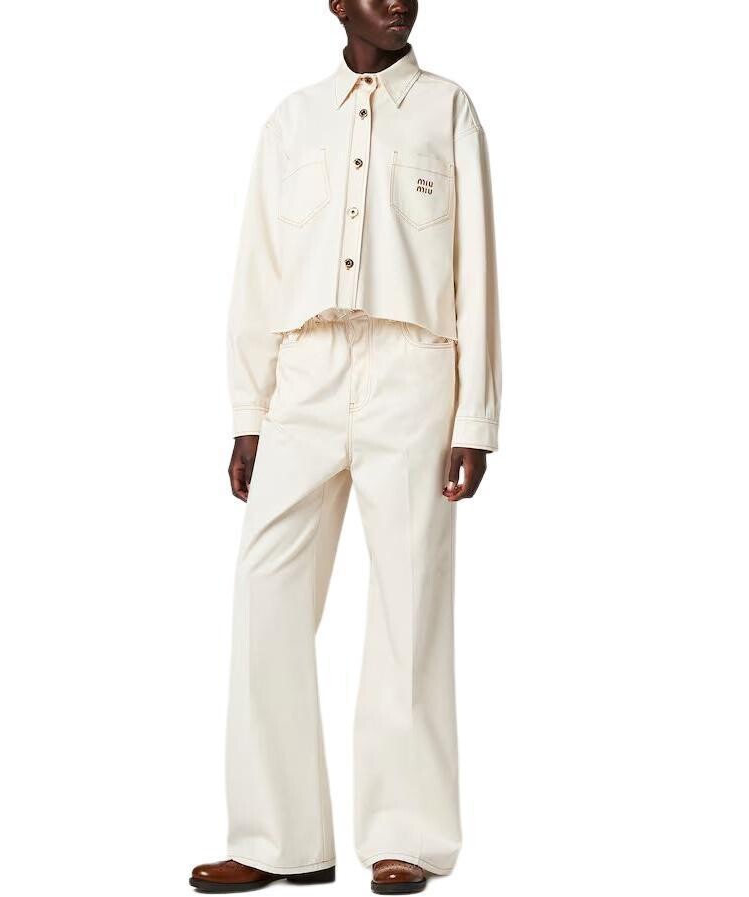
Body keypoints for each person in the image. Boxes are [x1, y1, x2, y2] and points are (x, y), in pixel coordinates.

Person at [190, 1, 500, 893]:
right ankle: (276, 837)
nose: (397, 1)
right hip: (304, 373)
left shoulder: (447, 108)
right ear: (334, 2)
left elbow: (476, 266)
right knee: (266, 594)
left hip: (412, 369)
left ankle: (406, 835)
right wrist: (249, 408)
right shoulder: (292, 120)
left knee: (409, 602)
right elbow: (258, 267)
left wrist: (474, 418)